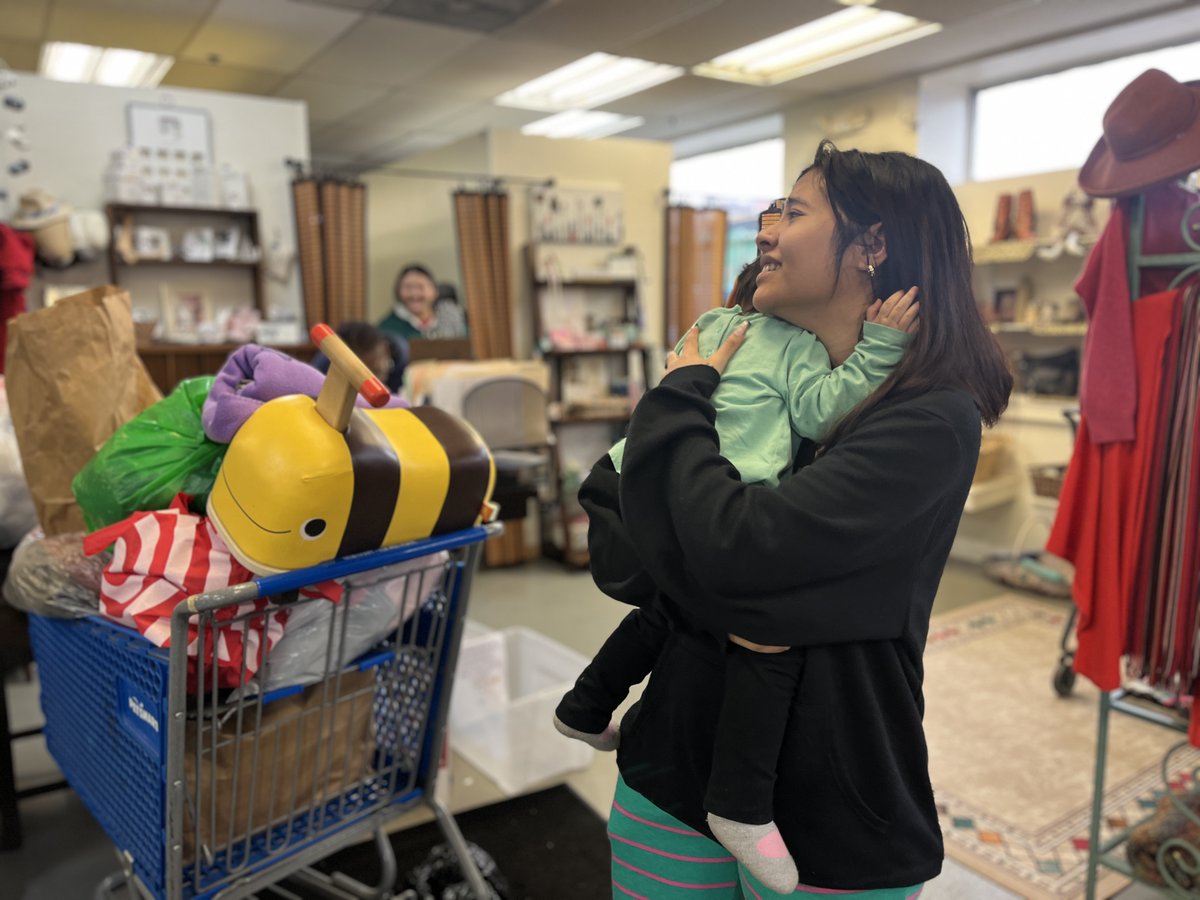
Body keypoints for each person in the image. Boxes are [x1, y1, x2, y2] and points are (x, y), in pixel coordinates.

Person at [579, 141, 1012, 899]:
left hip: (833, 805)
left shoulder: (930, 421)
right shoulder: (749, 369)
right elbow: (614, 542)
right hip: (671, 765)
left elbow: (736, 550)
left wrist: (678, 402)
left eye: (794, 209)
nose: (766, 230)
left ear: (872, 245)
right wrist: (727, 577)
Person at [555, 256, 920, 892]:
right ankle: (740, 806)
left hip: (634, 469)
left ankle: (585, 704)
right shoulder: (796, 344)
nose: (777, 237)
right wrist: (880, 349)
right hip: (721, 494)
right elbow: (818, 412)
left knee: (665, 611)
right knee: (764, 642)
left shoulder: (711, 325)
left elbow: (674, 390)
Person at [310, 321, 408, 394]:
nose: (379, 385)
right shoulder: (322, 373)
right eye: (373, 374)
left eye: (388, 364)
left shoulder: (400, 358)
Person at [377, 264, 468, 340]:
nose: (414, 294)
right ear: (398, 292)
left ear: (435, 291)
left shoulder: (452, 317)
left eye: (420, 287)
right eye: (408, 287)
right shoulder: (387, 328)